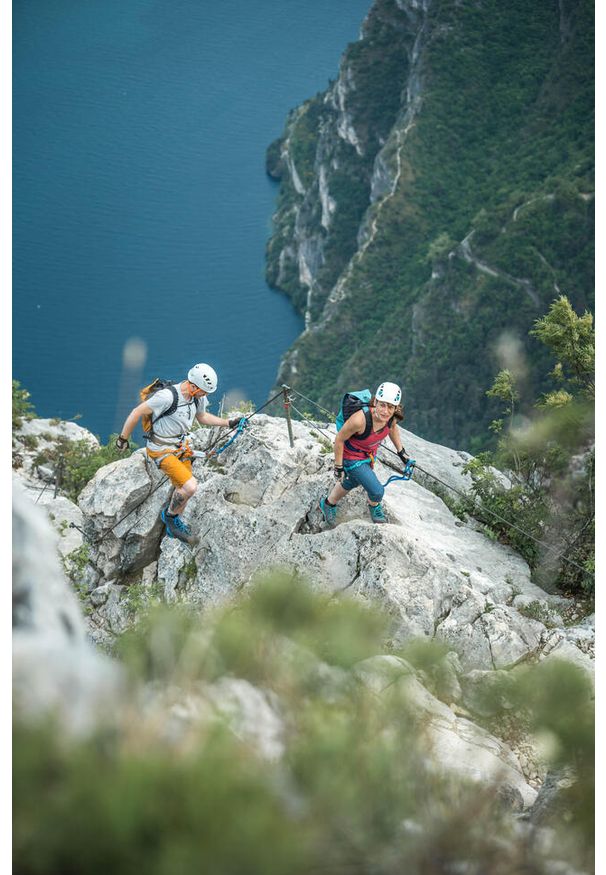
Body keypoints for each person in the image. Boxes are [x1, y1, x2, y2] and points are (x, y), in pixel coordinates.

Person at [116, 363, 242, 544]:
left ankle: (173, 526)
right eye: (203, 392)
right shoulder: (166, 397)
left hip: (180, 448)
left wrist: (229, 422)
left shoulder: (196, 397)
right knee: (190, 487)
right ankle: (169, 517)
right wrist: (122, 439)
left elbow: (202, 417)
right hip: (161, 449)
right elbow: (136, 412)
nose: (205, 396)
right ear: (192, 386)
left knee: (182, 488)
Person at [319, 382, 409, 526]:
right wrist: (338, 466)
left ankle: (328, 504)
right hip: (351, 457)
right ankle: (374, 507)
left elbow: (392, 429)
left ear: (396, 408)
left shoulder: (391, 418)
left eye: (390, 407)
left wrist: (401, 452)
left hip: (367, 455)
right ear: (376, 402)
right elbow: (339, 439)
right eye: (382, 405)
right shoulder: (359, 420)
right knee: (377, 491)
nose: (385, 411)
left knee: (352, 480)